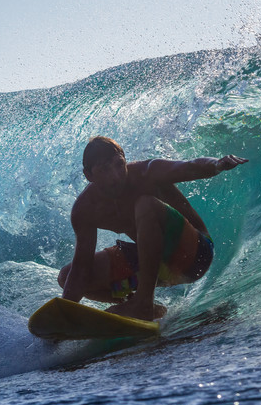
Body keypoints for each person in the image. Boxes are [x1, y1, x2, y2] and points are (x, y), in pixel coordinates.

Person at [57, 136, 248, 320]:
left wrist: (217, 164)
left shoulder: (146, 173)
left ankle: (143, 303)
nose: (115, 176)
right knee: (67, 277)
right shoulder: (85, 210)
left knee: (145, 205)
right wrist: (64, 316)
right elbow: (81, 269)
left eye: (118, 164)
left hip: (195, 256)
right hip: (157, 270)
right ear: (88, 175)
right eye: (104, 170)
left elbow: (189, 166)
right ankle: (138, 306)